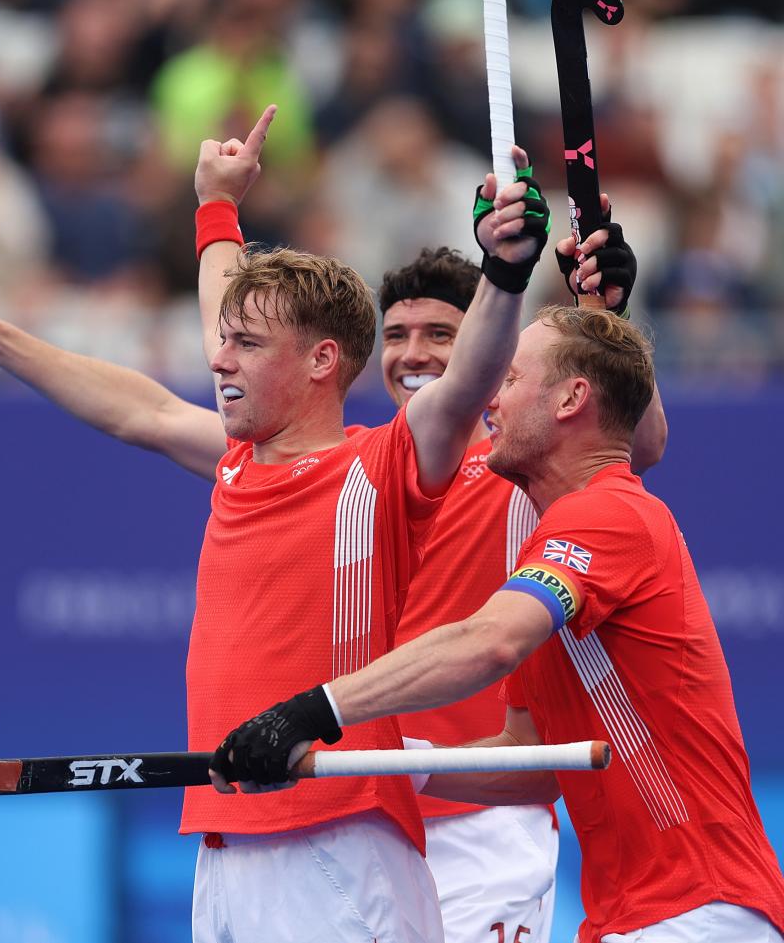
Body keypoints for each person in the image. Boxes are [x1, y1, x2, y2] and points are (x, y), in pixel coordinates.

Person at [0, 105, 553, 943]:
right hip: (227, 837)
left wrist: (507, 267)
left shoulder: (377, 470)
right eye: (222, 342)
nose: (217, 358)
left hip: (335, 837)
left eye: (245, 346)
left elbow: (471, 374)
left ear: (320, 361)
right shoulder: (235, 461)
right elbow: (141, 407)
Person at [210, 306, 784, 943]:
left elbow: (488, 641)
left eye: (508, 380)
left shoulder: (606, 514)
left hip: (700, 911)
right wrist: (397, 761)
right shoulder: (551, 552)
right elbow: (531, 762)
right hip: (635, 917)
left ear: (571, 399)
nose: (489, 400)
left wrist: (312, 712)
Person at [372, 241, 665, 943]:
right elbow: (175, 420)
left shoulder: (524, 463)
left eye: (441, 333)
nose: (413, 354)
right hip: (373, 818)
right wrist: (216, 211)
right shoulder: (362, 472)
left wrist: (608, 322)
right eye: (395, 336)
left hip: (487, 820)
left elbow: (638, 444)